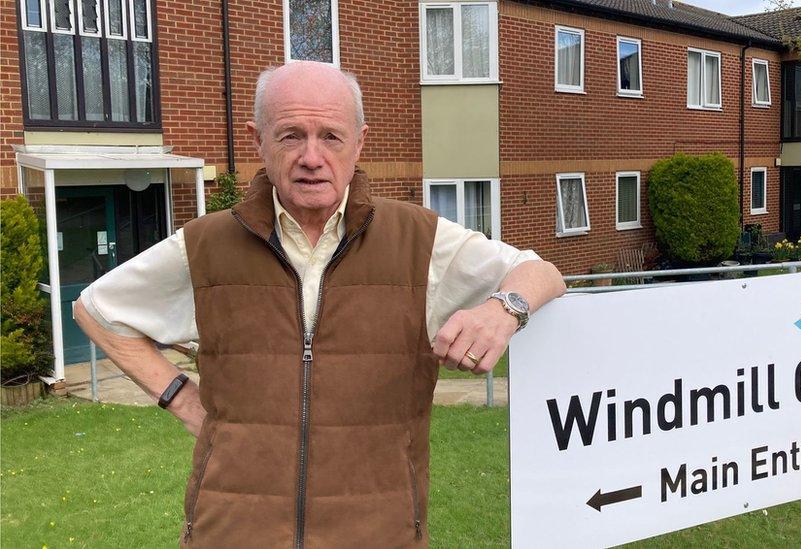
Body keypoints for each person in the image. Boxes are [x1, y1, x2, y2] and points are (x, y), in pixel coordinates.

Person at [73, 60, 565, 547]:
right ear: (257, 140)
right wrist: (180, 398)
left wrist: (504, 309)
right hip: (232, 532)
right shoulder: (205, 245)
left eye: (331, 136)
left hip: (378, 533)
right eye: (290, 135)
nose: (312, 156)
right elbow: (97, 309)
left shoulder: (419, 240)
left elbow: (541, 272)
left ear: (359, 143)